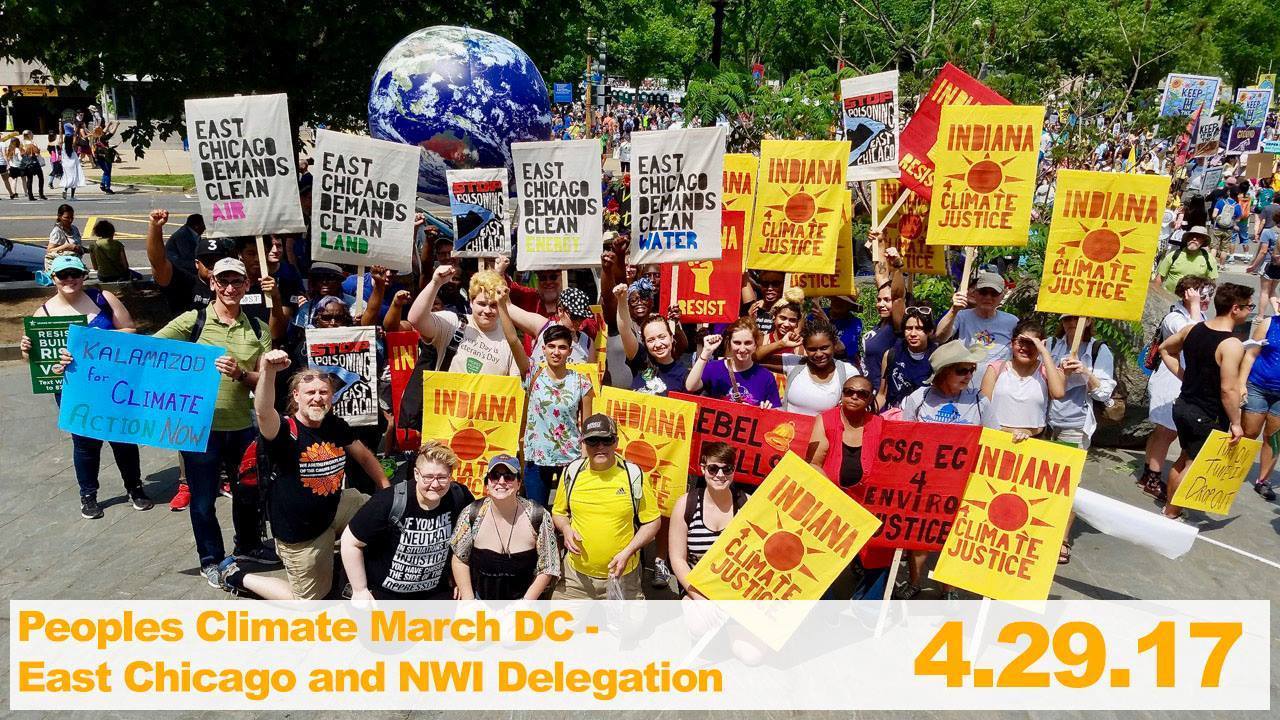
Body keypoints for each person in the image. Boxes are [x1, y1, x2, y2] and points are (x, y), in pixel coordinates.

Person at [218, 351, 387, 600]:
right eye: (310, 393)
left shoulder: (334, 425)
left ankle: (350, 569)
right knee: (307, 603)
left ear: (332, 396)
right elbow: (263, 411)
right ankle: (237, 575)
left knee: (384, 516)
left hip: (335, 508)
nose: (317, 398)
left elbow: (364, 457)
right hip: (301, 534)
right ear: (296, 396)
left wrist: (385, 489)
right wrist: (268, 371)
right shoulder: (283, 431)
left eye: (324, 392)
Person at [152, 257, 277, 587]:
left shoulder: (258, 329)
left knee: (248, 493)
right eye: (223, 281)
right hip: (199, 429)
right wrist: (85, 353)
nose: (230, 288)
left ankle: (248, 545)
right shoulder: (193, 321)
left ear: (247, 285)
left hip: (242, 427)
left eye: (236, 281)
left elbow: (264, 381)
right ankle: (211, 558)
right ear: (212, 283)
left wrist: (240, 373)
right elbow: (146, 350)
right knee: (203, 500)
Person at [27, 256, 152, 519]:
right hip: (74, 388)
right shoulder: (43, 314)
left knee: (122, 437)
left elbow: (130, 330)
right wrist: (27, 350)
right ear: (53, 278)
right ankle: (88, 495)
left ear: (84, 275)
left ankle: (135, 487)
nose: (69, 279)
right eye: (63, 275)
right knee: (85, 443)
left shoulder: (103, 299)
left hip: (113, 382)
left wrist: (96, 339)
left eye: (75, 273)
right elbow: (40, 362)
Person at [1158, 282, 1251, 521]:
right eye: (1248, 307)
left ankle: (1169, 508)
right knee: (1194, 464)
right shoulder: (1231, 344)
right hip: (1206, 413)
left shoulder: (1193, 329)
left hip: (1184, 405)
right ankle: (1171, 514)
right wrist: (1236, 423)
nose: (1250, 311)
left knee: (1184, 458)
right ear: (1235, 309)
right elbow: (1228, 389)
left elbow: (1165, 349)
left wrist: (1185, 376)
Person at [341, 441, 475, 600]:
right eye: (428, 477)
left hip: (435, 592)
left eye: (442, 477)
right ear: (416, 474)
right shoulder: (388, 501)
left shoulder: (459, 496)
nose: (435, 484)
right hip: (387, 594)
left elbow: (467, 541)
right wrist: (360, 589)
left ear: (450, 476)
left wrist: (460, 579)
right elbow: (350, 541)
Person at [551, 414, 660, 599]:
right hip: (576, 578)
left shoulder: (633, 475)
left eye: (606, 440)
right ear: (584, 443)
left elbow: (652, 522)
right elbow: (558, 512)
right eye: (593, 441)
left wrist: (628, 552)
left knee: (632, 620)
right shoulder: (571, 472)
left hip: (623, 576)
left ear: (616, 441)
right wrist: (566, 529)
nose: (600, 446)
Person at [809, 375, 892, 599]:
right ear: (842, 394)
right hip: (831, 500)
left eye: (862, 394)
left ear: (870, 399)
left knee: (880, 553)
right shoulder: (825, 420)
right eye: (849, 391)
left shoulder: (880, 425)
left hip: (868, 503)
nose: (854, 397)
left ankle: (866, 607)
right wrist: (839, 501)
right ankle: (824, 607)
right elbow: (814, 464)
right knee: (818, 558)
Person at [450, 455, 562, 600]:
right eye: (495, 476)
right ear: (487, 483)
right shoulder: (471, 513)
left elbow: (549, 566)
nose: (501, 481)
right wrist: (469, 599)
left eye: (508, 476)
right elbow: (459, 559)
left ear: (519, 483)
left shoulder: (538, 516)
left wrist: (526, 603)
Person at [1141, 276, 1212, 500]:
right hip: (1170, 381)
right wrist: (1194, 306)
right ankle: (1152, 479)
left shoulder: (1199, 316)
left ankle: (1147, 473)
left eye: (1209, 294)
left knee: (1163, 432)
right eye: (1203, 294)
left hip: (1182, 379)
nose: (1207, 299)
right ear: (1189, 295)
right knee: (1166, 432)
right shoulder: (1175, 317)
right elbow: (1195, 337)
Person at [522, 324, 595, 505]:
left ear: (570, 351)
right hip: (537, 458)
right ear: (543, 349)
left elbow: (586, 427)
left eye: (562, 347)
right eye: (551, 346)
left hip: (570, 458)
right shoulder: (532, 374)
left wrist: (583, 462)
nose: (556, 352)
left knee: (569, 512)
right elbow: (513, 340)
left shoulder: (582, 382)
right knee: (535, 513)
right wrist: (503, 309)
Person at [407, 266, 522, 375]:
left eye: (493, 305)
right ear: (471, 302)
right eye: (482, 304)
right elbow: (416, 320)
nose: (487, 310)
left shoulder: (509, 340)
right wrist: (435, 283)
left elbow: (516, 383)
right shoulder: (453, 323)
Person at [668, 442, 748, 598]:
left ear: (734, 470)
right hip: (698, 588)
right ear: (703, 468)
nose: (720, 475)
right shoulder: (685, 504)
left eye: (727, 469)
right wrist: (698, 597)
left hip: (737, 592)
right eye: (713, 469)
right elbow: (678, 559)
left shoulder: (747, 505)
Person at [980, 318, 1067, 441]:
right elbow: (983, 408)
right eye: (1021, 342)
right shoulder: (995, 369)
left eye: (1031, 343)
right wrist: (1009, 431)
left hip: (1033, 441)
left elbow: (1058, 393)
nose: (1025, 348)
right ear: (1012, 343)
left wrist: (1044, 352)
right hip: (996, 439)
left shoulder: (1047, 371)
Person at [1233, 297, 1280, 501]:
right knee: (1250, 431)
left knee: (1274, 437)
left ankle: (1263, 481)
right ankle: (1232, 470)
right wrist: (1241, 383)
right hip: (1258, 386)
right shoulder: (1269, 323)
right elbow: (1251, 353)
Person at [934, 270, 1017, 387]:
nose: (988, 297)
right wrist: (953, 310)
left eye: (994, 293)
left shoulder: (1012, 321)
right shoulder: (961, 316)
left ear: (1002, 296)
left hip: (999, 387)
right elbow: (940, 337)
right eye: (983, 292)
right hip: (967, 386)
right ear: (975, 293)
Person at [1046, 315, 1117, 449]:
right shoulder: (1051, 344)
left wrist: (1085, 372)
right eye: (1067, 319)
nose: (1072, 322)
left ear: (1088, 321)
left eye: (1077, 319)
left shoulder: (1098, 349)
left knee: (1066, 462)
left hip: (1075, 427)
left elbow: (1103, 394)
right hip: (1046, 423)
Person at [686, 317, 781, 407]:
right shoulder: (714, 368)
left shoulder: (766, 377)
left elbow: (775, 410)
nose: (742, 349)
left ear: (755, 344)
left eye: (748, 343)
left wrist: (766, 411)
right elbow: (690, 387)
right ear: (729, 343)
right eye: (737, 343)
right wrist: (706, 352)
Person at [615, 284, 689, 396]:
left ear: (671, 337)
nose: (658, 344)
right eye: (651, 340)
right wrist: (621, 300)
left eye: (662, 337)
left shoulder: (683, 374)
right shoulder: (641, 360)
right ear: (644, 343)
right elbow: (624, 330)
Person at [774, 320, 861, 416]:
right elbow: (760, 358)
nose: (819, 354)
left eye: (824, 348)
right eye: (812, 349)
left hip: (825, 426)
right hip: (789, 425)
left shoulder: (847, 372)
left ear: (834, 345)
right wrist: (781, 344)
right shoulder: (795, 364)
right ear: (805, 348)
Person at [878, 307, 937, 410]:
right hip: (893, 415)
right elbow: (882, 395)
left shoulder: (937, 359)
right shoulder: (891, 355)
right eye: (908, 328)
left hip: (923, 416)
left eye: (919, 328)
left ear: (930, 331)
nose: (913, 334)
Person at [1156, 226, 1217, 293]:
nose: (1194, 239)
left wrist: (1203, 297)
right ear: (1187, 238)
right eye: (1191, 236)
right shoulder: (1174, 255)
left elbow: (1212, 283)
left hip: (1193, 298)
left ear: (1203, 241)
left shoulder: (1209, 259)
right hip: (1169, 296)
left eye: (1198, 237)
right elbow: (1159, 278)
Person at [1245, 221, 1280, 314]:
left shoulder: (1268, 232)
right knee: (1272, 290)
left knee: (1265, 291)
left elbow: (1263, 251)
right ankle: (1277, 312)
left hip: (1269, 264)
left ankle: (1260, 316)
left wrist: (1254, 266)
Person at [45, 204, 85, 273]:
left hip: (75, 264)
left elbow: (77, 246)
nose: (70, 220)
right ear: (59, 216)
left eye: (72, 217)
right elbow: (49, 251)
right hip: (63, 268)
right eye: (66, 218)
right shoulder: (57, 231)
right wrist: (66, 247)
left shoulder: (74, 229)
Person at [18, 130, 47, 201]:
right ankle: (41, 194)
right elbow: (37, 152)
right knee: (41, 177)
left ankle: (30, 195)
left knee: (29, 179)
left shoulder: (22, 143)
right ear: (29, 135)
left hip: (26, 163)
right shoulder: (32, 143)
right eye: (32, 134)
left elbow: (21, 154)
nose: (33, 135)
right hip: (34, 162)